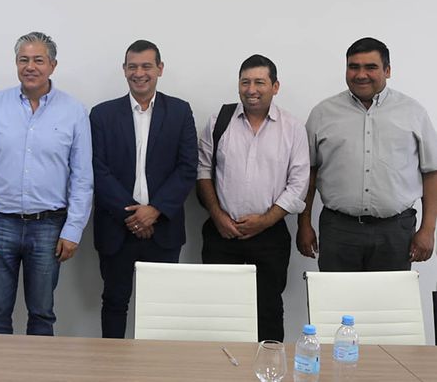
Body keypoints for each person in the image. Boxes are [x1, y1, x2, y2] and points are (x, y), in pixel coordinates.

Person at [0, 31, 93, 336]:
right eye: (24, 60)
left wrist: (73, 229)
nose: (30, 66)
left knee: (42, 313)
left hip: (49, 225)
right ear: (16, 64)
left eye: (38, 60)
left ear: (53, 65)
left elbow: (82, 177)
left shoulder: (74, 111)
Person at [297, 37, 437, 271]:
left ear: (388, 70)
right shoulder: (322, 114)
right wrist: (304, 224)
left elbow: (431, 172)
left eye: (370, 67)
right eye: (354, 67)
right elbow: (308, 173)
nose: (361, 74)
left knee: (387, 304)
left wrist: (428, 229)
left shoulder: (413, 112)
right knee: (338, 304)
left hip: (395, 232)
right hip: (338, 231)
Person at [197, 54, 309, 342]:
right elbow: (203, 172)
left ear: (275, 86)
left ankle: (269, 371)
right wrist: (218, 215)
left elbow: (299, 184)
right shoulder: (219, 121)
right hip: (222, 234)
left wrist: (265, 221)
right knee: (219, 310)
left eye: (260, 82)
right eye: (245, 82)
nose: (251, 89)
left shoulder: (293, 128)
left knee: (268, 310)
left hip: (269, 237)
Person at [90, 39, 197, 338]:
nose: (140, 73)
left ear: (160, 69)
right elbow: (97, 169)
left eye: (147, 66)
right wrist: (134, 215)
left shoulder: (179, 111)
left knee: (161, 308)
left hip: (164, 229)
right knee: (114, 303)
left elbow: (187, 167)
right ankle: (112, 371)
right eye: (133, 66)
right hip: (116, 228)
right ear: (124, 70)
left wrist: (155, 210)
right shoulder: (102, 115)